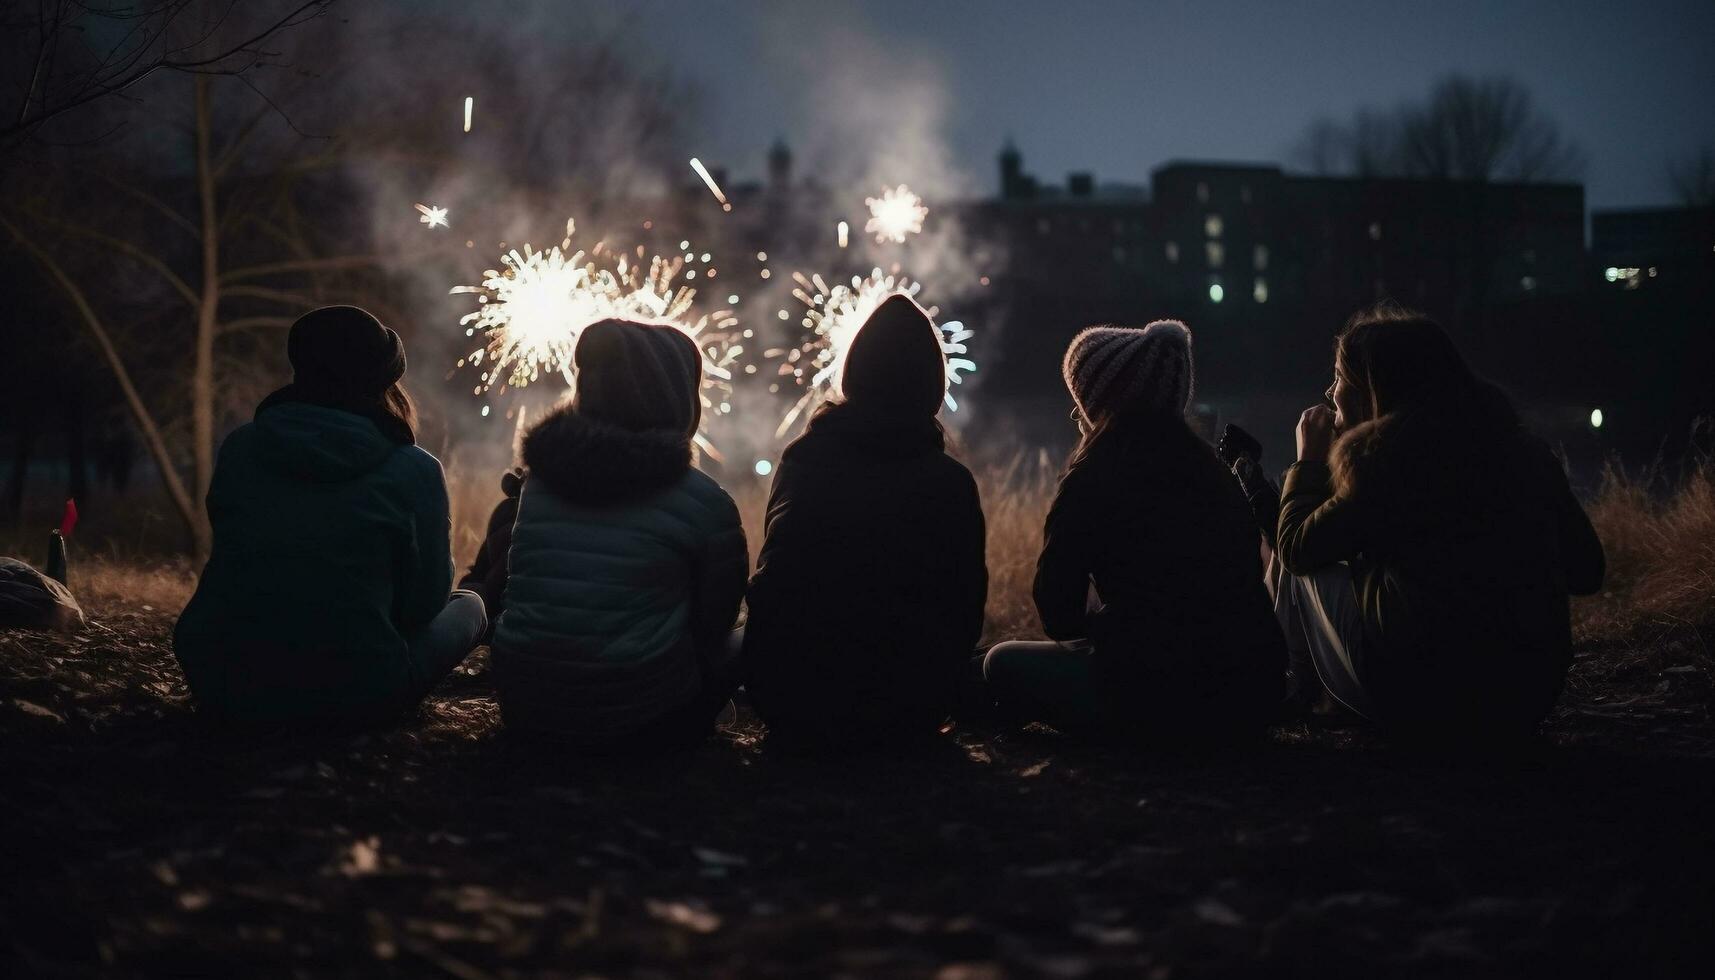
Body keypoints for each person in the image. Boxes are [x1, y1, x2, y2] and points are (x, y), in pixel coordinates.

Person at [1275, 305, 1605, 742]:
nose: (1329, 391)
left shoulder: (1382, 461)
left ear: (1369, 390)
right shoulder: (1522, 450)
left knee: (1292, 554)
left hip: (1422, 701)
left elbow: (1297, 547)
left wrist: (1309, 462)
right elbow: (1587, 571)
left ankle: (1290, 692)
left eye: (1338, 377)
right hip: (1527, 699)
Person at [174, 306, 485, 726]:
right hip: (355, 692)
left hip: (220, 678)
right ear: (383, 381)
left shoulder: (241, 447)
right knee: (470, 605)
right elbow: (424, 607)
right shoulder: (417, 469)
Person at [983, 320, 1285, 745]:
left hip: (1151, 699)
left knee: (999, 661)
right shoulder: (1215, 473)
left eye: (1083, 402)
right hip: (1250, 698)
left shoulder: (1092, 475)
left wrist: (1110, 626)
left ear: (1103, 404)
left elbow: (1058, 612)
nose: (1077, 415)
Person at [486, 319, 747, 749]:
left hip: (526, 705)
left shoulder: (538, 485)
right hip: (642, 720)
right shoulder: (705, 501)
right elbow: (715, 620)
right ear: (680, 400)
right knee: (748, 638)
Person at [744, 294, 988, 746]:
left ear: (853, 373)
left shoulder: (804, 458)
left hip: (791, 701)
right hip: (911, 710)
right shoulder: (951, 482)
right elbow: (964, 608)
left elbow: (776, 576)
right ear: (933, 384)